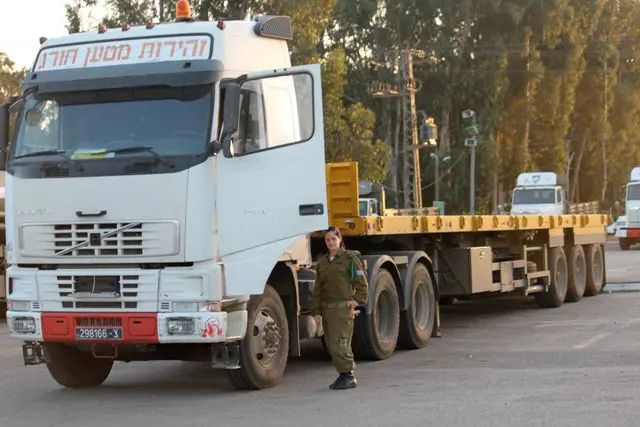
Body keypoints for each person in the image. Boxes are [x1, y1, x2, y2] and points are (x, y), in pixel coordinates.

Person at [311, 226, 368, 390]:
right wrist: (316, 311)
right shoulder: (323, 262)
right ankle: (343, 374)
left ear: (340, 239)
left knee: (340, 344)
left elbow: (361, 281)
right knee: (331, 344)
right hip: (327, 309)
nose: (330, 242)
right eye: (327, 240)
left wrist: (357, 300)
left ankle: (348, 375)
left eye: (333, 239)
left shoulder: (349, 258)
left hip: (342, 308)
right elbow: (318, 289)